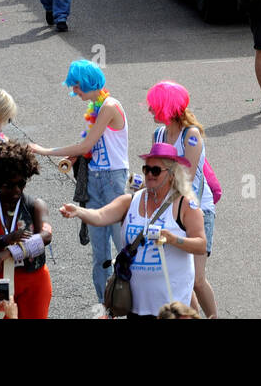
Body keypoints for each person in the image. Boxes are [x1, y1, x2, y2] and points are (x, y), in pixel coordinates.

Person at [60, 142, 206, 319]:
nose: (149, 174)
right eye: (146, 169)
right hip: (135, 306)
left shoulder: (185, 205)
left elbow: (201, 245)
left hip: (171, 309)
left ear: (171, 174)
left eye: (155, 170)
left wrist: (174, 239)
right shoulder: (131, 201)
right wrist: (78, 211)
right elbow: (100, 215)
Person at [29, 60, 128, 305]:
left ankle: (134, 303)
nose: (74, 91)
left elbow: (86, 145)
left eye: (76, 86)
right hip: (95, 179)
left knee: (123, 248)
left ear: (87, 83)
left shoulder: (109, 106)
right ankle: (106, 306)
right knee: (99, 254)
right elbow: (89, 146)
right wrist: (77, 156)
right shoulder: (97, 106)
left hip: (112, 180)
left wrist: (44, 150)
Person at [148, 80, 218, 319]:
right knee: (181, 278)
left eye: (154, 105)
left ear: (167, 107)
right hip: (169, 210)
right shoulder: (159, 134)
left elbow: (186, 178)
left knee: (197, 280)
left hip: (196, 211)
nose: (150, 110)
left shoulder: (191, 135)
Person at [0, 141, 53, 320]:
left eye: (21, 184)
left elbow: (46, 236)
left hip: (34, 282)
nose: (17, 190)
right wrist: (5, 239)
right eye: (9, 185)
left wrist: (10, 252)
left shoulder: (35, 205)